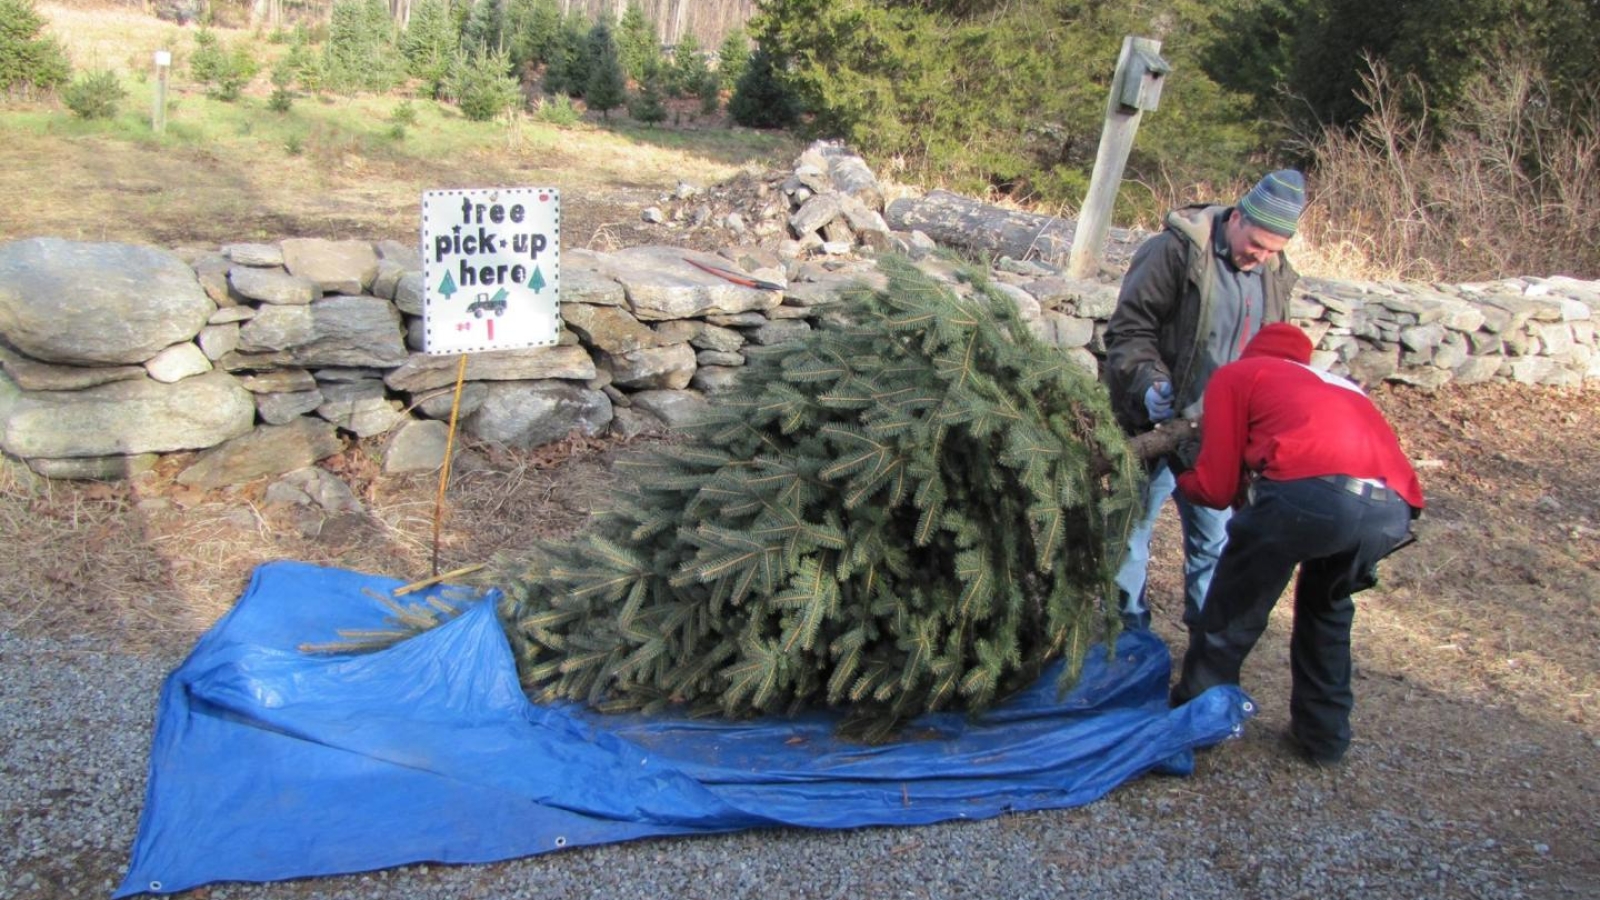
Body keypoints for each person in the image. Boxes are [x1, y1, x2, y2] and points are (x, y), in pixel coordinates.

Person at [1166, 322, 1424, 766]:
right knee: (1327, 612)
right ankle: (1323, 738)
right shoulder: (1340, 386)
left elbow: (1214, 487)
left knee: (1234, 610)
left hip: (1310, 497)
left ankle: (1196, 723)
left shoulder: (1240, 375)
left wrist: (1181, 469)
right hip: (1391, 509)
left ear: (1253, 353)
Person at [1103, 169, 1306, 631]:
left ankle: (1207, 638)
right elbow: (1129, 330)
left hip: (1219, 436)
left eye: (1273, 250)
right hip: (1152, 423)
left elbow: (1273, 353)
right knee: (1130, 532)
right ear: (1236, 218)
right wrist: (1149, 383)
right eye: (1257, 244)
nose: (1261, 257)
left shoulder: (1274, 274)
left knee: (1214, 540)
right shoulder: (1174, 251)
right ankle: (1128, 633)